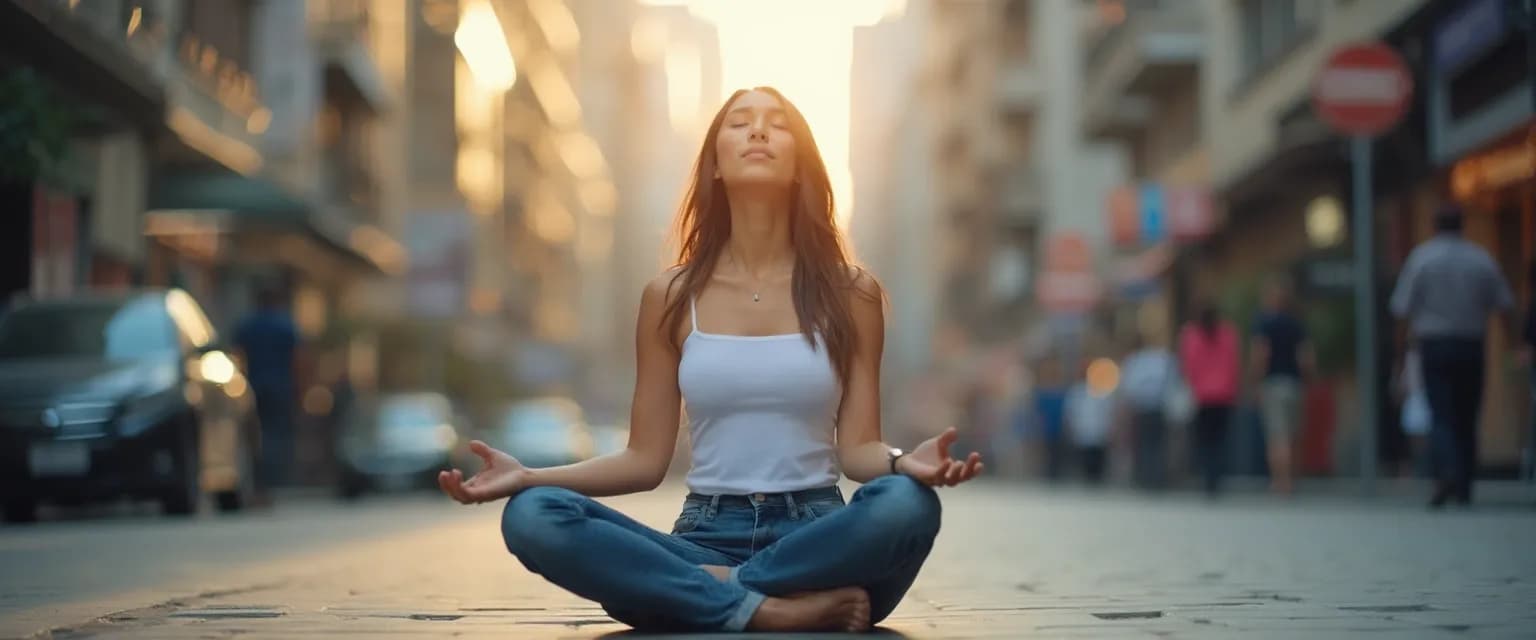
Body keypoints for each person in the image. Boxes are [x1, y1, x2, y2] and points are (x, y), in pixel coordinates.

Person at [436, 87, 985, 633]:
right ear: (715, 164)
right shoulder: (670, 296)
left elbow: (859, 450)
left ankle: (711, 591)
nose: (759, 131)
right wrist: (529, 476)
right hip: (706, 532)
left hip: (821, 538)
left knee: (909, 506)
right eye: (739, 122)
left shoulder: (852, 293)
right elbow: (644, 460)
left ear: (801, 164)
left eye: (778, 123)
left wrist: (900, 463)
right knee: (534, 515)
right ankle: (769, 607)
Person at [1390, 206, 1520, 507]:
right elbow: (1504, 306)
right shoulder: (1481, 259)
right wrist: (1512, 345)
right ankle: (1464, 483)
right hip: (1471, 344)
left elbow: (1401, 310)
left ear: (1434, 226)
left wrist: (1400, 355)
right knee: (1467, 413)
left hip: (1434, 345)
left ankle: (1446, 471)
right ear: (1463, 225)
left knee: (1441, 413)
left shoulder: (1421, 259)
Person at [234, 285, 303, 498]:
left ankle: (259, 484)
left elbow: (238, 358)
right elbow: (299, 360)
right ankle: (274, 482)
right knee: (277, 435)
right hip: (281, 388)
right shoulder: (285, 326)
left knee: (254, 436)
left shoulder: (247, 326)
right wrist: (301, 388)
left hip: (254, 387)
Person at [1250, 277, 1314, 495]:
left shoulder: (1264, 323)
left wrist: (1256, 382)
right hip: (1294, 383)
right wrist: (1306, 381)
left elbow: (1261, 354)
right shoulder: (1296, 324)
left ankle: (1281, 482)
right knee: (1294, 434)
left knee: (1277, 435)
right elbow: (1306, 357)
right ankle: (1294, 479)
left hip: (1273, 384)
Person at [1178, 305, 1240, 498]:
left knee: (1204, 440)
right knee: (1220, 439)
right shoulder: (1228, 334)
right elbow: (1233, 364)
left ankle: (1207, 479)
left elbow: (1187, 366)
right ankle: (1216, 478)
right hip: (1223, 395)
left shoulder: (1190, 335)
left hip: (1201, 396)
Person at [1118, 334, 1180, 489]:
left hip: (1144, 408)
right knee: (1155, 444)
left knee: (1145, 444)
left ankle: (1146, 477)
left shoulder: (1136, 362)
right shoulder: (1163, 360)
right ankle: (1155, 477)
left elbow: (1129, 388)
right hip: (1157, 408)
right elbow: (1172, 384)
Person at [1064, 360, 1117, 484]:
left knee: (1098, 467)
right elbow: (1071, 413)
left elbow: (1108, 413)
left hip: (1099, 434)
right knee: (1084, 467)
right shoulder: (1076, 392)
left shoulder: (1102, 391)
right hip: (1083, 434)